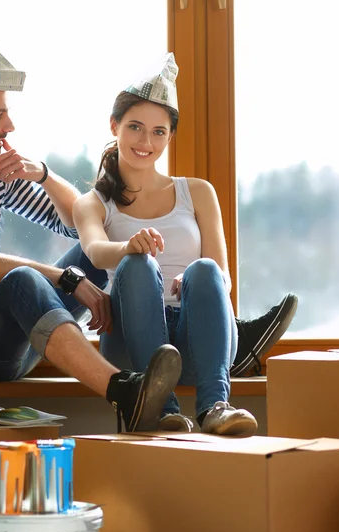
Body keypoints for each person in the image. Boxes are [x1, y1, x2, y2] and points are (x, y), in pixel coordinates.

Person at [0, 27, 183, 434]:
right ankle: (125, 391)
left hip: (15, 339)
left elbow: (77, 222)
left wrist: (43, 174)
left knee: (97, 250)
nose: (10, 123)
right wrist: (67, 279)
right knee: (24, 279)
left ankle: (183, 331)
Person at [73, 53, 296, 436]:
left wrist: (193, 284)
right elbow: (94, 251)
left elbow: (221, 277)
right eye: (135, 128)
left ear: (170, 136)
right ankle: (160, 406)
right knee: (139, 265)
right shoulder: (93, 203)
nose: (146, 142)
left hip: (197, 340)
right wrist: (130, 247)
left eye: (159, 132)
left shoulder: (198, 193)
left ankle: (216, 406)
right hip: (131, 345)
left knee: (206, 270)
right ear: (115, 126)